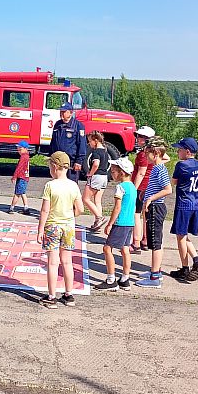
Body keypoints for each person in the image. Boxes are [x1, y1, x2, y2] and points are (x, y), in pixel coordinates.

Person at [36, 150, 84, 309]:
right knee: (67, 261)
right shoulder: (74, 185)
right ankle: (69, 294)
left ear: (55, 167)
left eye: (50, 165)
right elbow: (80, 209)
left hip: (52, 226)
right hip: (69, 226)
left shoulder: (50, 185)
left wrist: (40, 229)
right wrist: (71, 215)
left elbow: (45, 210)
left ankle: (51, 296)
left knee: (52, 262)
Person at [135, 137, 172, 289]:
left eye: (148, 154)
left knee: (156, 243)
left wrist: (150, 198)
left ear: (155, 153)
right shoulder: (157, 167)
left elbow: (168, 189)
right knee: (155, 241)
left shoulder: (159, 168)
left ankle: (154, 276)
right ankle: (155, 271)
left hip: (156, 208)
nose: (146, 157)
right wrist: (145, 192)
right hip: (153, 207)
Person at [95, 157, 137, 291]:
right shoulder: (132, 186)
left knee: (107, 248)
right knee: (125, 249)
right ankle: (125, 278)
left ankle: (111, 279)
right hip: (130, 222)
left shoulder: (120, 187)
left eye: (114, 171)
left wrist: (110, 224)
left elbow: (117, 208)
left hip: (120, 222)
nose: (112, 173)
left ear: (122, 172)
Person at [169, 137, 198, 282]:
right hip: (195, 204)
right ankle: (197, 261)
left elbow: (173, 183)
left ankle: (185, 268)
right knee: (184, 236)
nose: (178, 151)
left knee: (180, 237)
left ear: (188, 151)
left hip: (183, 204)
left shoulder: (181, 165)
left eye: (180, 149)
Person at [130, 125, 155, 253]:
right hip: (149, 187)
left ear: (147, 139)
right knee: (145, 215)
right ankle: (145, 240)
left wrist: (133, 189)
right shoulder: (154, 153)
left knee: (136, 214)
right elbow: (166, 158)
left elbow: (141, 172)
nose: (137, 138)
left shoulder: (143, 154)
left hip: (141, 187)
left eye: (140, 137)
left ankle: (136, 243)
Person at [48, 102, 87, 182]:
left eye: (64, 112)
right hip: (58, 161)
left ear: (70, 112)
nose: (61, 114)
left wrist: (79, 161)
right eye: (61, 112)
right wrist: (51, 157)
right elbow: (53, 142)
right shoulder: (57, 124)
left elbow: (82, 145)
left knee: (71, 184)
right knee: (58, 184)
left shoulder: (78, 126)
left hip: (70, 162)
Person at [83, 131, 110, 231]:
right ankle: (97, 222)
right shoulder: (105, 151)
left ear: (96, 140)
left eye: (90, 141)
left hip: (96, 176)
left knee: (85, 199)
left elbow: (96, 164)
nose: (89, 143)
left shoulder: (96, 152)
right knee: (97, 200)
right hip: (104, 177)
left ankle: (99, 217)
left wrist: (90, 173)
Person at [9, 140, 30, 215]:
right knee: (22, 192)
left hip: (21, 177)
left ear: (25, 149)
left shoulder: (23, 157)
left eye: (20, 149)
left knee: (17, 193)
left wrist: (14, 176)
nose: (19, 151)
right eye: (18, 149)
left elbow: (19, 167)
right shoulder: (27, 156)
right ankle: (26, 207)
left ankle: (12, 208)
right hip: (25, 177)